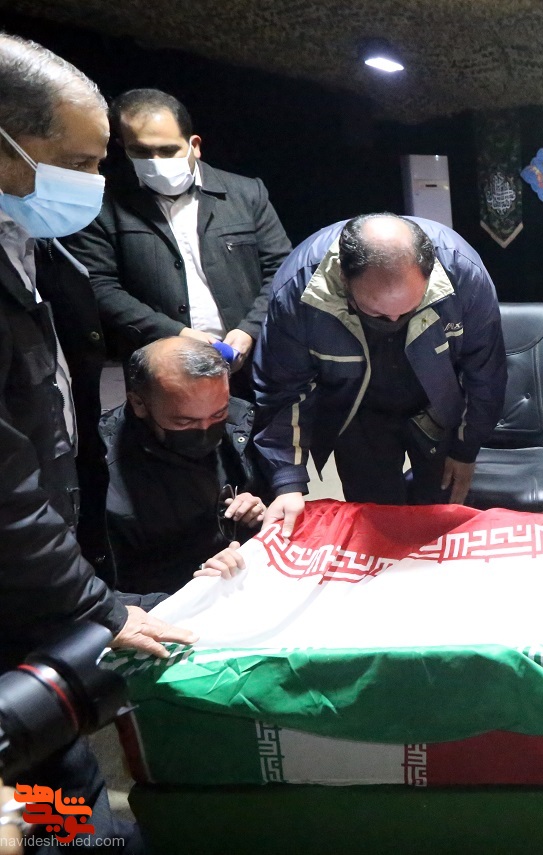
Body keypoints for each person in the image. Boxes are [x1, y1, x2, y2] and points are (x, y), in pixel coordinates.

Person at [0, 33, 195, 854]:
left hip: (28, 589)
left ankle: (81, 832)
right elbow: (5, 492)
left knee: (56, 777)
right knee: (53, 788)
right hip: (20, 576)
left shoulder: (28, 242)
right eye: (77, 162)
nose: (94, 182)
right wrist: (99, 607)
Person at [255, 213, 506, 536]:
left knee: (442, 517)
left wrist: (465, 449)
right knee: (376, 523)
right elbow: (283, 388)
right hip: (356, 410)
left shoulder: (462, 273)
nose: (393, 321)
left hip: (437, 404)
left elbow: (485, 372)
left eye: (407, 310)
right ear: (344, 278)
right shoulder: (298, 289)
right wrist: (287, 481)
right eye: (377, 313)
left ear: (429, 274)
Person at [63, 88, 292, 398]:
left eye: (168, 150)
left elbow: (282, 270)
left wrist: (249, 330)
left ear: (194, 145)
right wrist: (175, 334)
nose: (156, 162)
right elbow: (99, 285)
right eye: (141, 151)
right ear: (123, 147)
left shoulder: (247, 194)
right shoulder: (101, 204)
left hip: (251, 363)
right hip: (160, 372)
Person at [102, 337, 271, 595]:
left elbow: (268, 503)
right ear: (139, 404)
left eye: (218, 414)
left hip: (244, 579)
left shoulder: (240, 424)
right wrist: (196, 578)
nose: (205, 431)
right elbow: (102, 593)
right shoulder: (99, 472)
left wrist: (258, 513)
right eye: (184, 422)